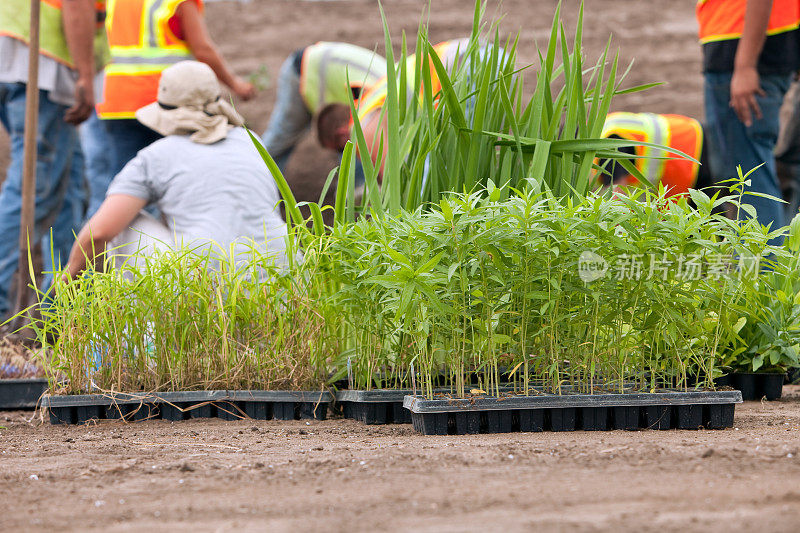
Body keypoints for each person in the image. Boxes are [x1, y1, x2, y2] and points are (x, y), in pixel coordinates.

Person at [65, 61, 287, 280]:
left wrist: (64, 287)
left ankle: (148, 315)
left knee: (122, 223)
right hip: (283, 280)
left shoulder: (156, 157)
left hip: (208, 287)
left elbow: (98, 235)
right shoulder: (251, 141)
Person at [0, 0, 96, 318]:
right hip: (37, 66)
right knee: (34, 188)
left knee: (67, 181)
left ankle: (58, 308)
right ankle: (4, 309)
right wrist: (85, 75)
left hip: (19, 59)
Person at [97, 0, 256, 180]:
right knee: (173, 180)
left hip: (116, 102)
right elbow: (202, 49)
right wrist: (235, 84)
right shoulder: (177, 2)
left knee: (127, 181)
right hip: (165, 106)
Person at [697, 0, 800, 237]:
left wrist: (745, 66)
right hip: (768, 47)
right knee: (751, 175)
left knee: (746, 182)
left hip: (740, 51)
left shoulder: (744, 64)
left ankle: (762, 269)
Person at [260, 42, 386, 172]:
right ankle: (256, 177)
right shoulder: (376, 99)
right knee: (280, 140)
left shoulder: (380, 99)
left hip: (322, 72)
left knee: (357, 140)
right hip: (303, 73)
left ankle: (357, 187)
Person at [598, 112, 714, 197]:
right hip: (690, 138)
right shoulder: (604, 128)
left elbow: (616, 198)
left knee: (712, 219)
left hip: (694, 147)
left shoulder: (607, 144)